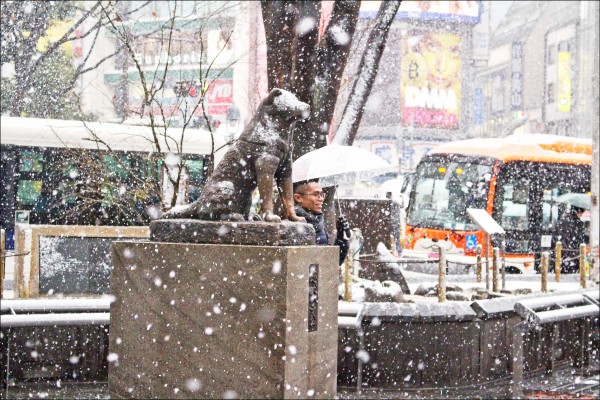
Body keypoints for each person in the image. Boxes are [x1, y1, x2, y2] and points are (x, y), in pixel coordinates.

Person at [293, 179, 350, 265]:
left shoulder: (318, 221)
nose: (321, 199)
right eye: (316, 194)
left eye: (322, 194)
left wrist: (341, 237)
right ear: (298, 198)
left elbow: (332, 262)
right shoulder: (294, 223)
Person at [554, 205, 588, 273]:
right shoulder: (577, 223)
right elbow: (580, 239)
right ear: (578, 211)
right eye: (582, 213)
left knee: (561, 273)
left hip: (562, 253)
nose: (581, 215)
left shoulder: (562, 220)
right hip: (572, 253)